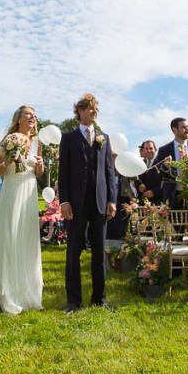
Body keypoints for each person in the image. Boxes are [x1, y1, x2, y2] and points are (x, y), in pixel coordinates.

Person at [59, 93, 117, 313]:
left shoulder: (104, 138)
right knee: (73, 251)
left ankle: (99, 298)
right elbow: (63, 173)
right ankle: (73, 300)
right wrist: (64, 200)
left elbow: (109, 172)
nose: (94, 111)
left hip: (100, 202)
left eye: (96, 108)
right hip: (76, 202)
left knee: (99, 252)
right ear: (80, 111)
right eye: (90, 108)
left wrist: (112, 199)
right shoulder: (69, 138)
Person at [0, 105, 45, 314]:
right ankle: (9, 292)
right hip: (13, 189)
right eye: (28, 114)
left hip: (30, 191)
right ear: (19, 118)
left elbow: (39, 173)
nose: (32, 117)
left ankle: (28, 291)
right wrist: (8, 161)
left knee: (28, 236)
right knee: (12, 234)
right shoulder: (8, 140)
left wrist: (40, 164)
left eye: (34, 114)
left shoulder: (38, 142)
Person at [156, 117, 188, 209]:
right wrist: (165, 166)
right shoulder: (164, 150)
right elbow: (158, 175)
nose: (187, 130)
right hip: (173, 197)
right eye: (184, 127)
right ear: (174, 130)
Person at [135, 140, 161, 204]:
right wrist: (139, 186)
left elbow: (165, 182)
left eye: (151, 148)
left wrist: (154, 192)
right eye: (146, 149)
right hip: (143, 202)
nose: (148, 151)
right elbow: (136, 180)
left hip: (158, 201)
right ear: (143, 150)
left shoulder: (161, 162)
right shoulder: (140, 164)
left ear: (155, 149)